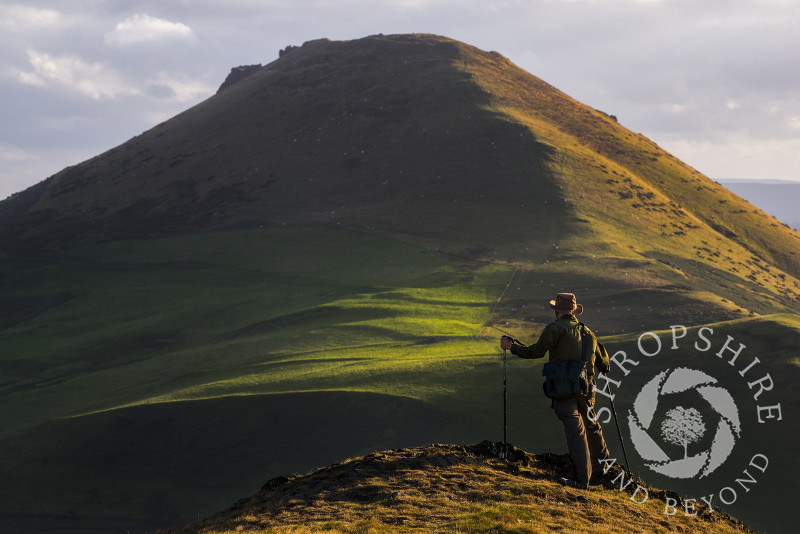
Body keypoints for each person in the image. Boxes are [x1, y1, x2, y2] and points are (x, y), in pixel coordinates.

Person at [500, 292, 611, 489]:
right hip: (587, 387)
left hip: (564, 387)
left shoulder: (555, 329)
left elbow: (536, 352)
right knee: (591, 424)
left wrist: (512, 347)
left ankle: (581, 479)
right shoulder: (588, 331)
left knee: (575, 430)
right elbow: (604, 362)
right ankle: (602, 466)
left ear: (557, 311)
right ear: (574, 311)